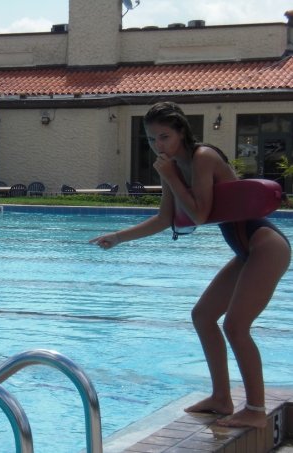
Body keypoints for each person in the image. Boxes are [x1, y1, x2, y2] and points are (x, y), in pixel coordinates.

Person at [90, 101, 290, 429]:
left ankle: (256, 410)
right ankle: (221, 398)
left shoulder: (203, 157)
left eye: (164, 137)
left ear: (181, 132)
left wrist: (170, 176)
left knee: (236, 326)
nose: (158, 145)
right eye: (151, 139)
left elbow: (198, 214)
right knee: (203, 316)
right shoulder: (174, 168)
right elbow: (164, 219)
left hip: (265, 245)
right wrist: (118, 237)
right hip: (246, 250)